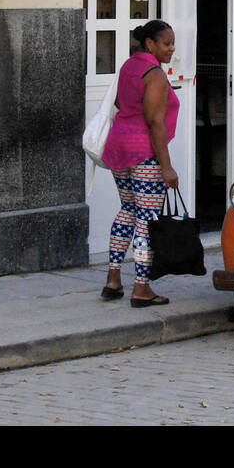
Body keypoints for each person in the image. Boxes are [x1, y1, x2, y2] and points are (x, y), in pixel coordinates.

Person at [101, 20, 180, 307]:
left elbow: (121, 104)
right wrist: (167, 166)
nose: (172, 49)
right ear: (150, 44)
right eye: (166, 43)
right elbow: (154, 122)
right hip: (143, 152)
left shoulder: (128, 66)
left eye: (172, 43)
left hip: (118, 146)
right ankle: (142, 287)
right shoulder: (155, 74)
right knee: (147, 219)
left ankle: (113, 279)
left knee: (128, 210)